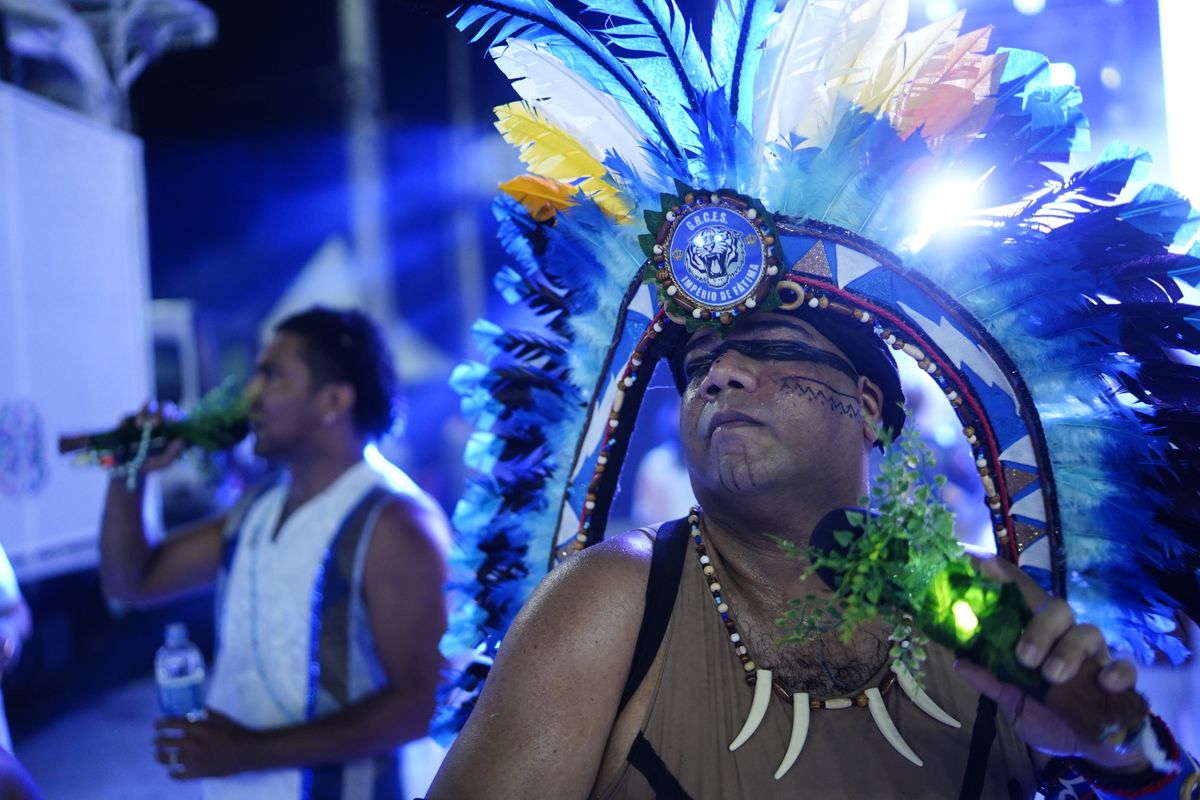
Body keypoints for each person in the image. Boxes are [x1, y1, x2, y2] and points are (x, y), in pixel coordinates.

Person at [427, 309, 1196, 798]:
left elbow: (1159, 781)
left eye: (769, 349)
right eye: (698, 370)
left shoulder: (979, 600)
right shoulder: (612, 598)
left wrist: (1119, 745)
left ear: (866, 408)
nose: (719, 375)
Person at [99, 306, 451, 800]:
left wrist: (248, 751)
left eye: (273, 377)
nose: (251, 395)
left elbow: (425, 701)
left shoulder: (394, 523)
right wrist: (127, 471)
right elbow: (130, 582)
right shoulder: (260, 507)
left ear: (333, 400)